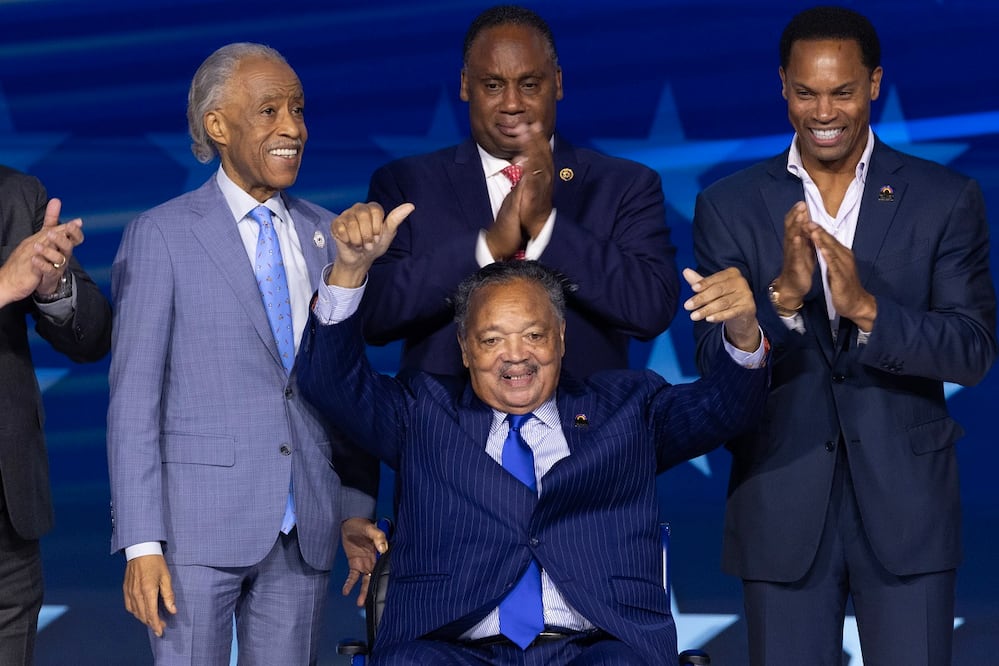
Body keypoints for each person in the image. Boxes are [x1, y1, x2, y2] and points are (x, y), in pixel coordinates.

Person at [297, 201, 769, 666]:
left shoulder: (629, 407)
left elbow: (726, 408)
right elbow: (331, 382)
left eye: (534, 335)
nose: (515, 355)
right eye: (491, 339)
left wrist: (744, 331)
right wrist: (350, 269)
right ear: (464, 349)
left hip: (598, 647)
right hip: (448, 646)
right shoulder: (421, 411)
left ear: (561, 338)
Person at [690, 6, 997, 665]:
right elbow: (716, 368)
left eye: (841, 91)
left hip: (907, 510)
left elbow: (971, 350)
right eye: (804, 92)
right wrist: (783, 299)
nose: (822, 111)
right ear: (781, 85)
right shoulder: (728, 205)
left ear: (874, 83)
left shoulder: (944, 198)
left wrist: (865, 308)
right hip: (779, 502)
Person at [106, 43, 377, 664]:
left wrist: (352, 509)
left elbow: (347, 386)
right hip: (193, 531)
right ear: (217, 126)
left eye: (299, 110)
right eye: (269, 111)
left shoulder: (329, 236)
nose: (293, 128)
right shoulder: (163, 234)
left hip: (304, 526)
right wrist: (143, 544)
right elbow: (134, 400)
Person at [362, 4, 679, 379]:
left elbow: (650, 308)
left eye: (529, 84)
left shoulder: (623, 185)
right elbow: (374, 317)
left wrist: (546, 227)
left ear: (557, 83)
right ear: (465, 85)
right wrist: (489, 247)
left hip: (581, 431)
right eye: (493, 85)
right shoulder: (406, 183)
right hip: (449, 432)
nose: (512, 104)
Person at [0, 167, 112, 664]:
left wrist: (52, 287)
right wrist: (4, 284)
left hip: (7, 527)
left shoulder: (18, 195)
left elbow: (92, 337)